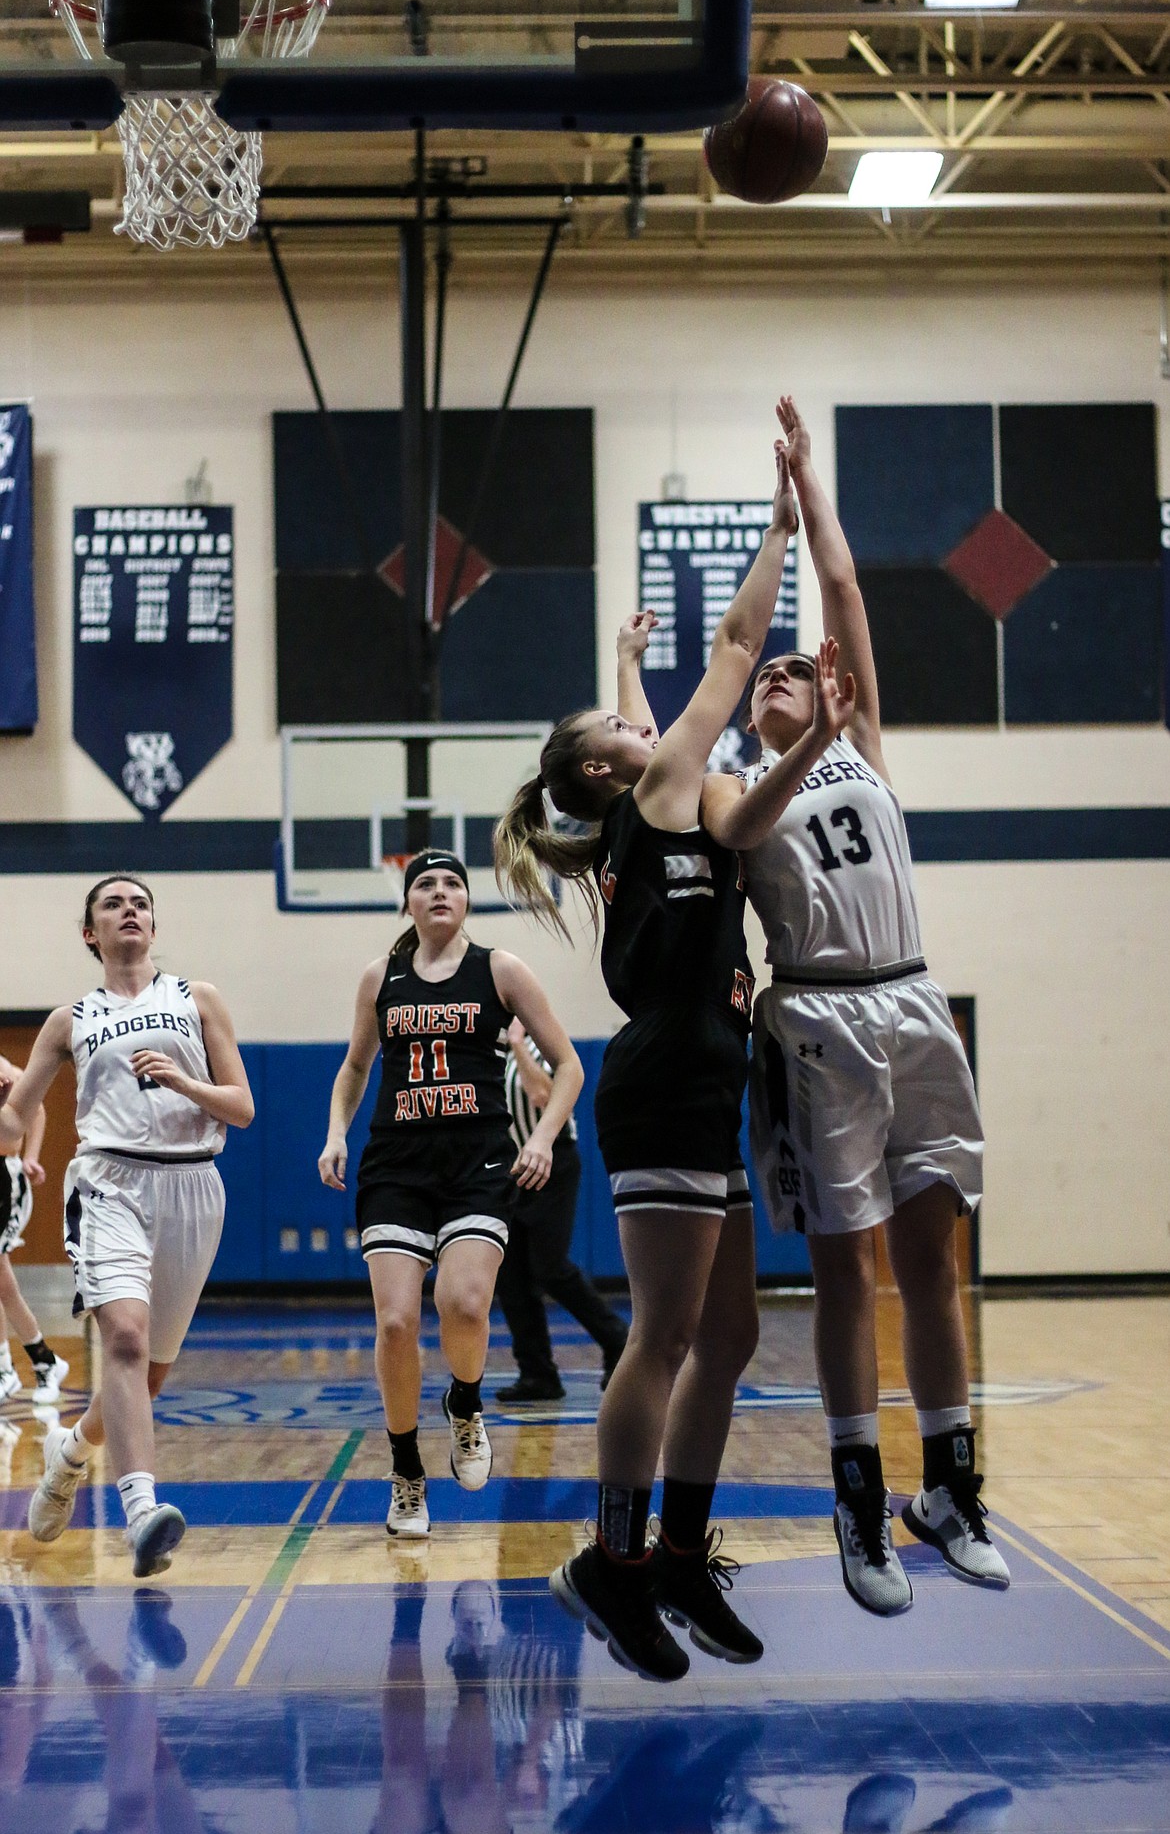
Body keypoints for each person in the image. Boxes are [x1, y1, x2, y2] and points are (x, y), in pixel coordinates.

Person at [494, 410, 853, 1681]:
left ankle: (687, 1555)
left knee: (738, 1332)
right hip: (663, 1082)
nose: (648, 725)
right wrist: (777, 520)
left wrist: (810, 741)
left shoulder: (676, 806)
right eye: (623, 725)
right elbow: (741, 645)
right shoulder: (652, 795)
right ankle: (615, 1558)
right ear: (608, 772)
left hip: (710, 1071)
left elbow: (742, 805)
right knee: (661, 1334)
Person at [701, 395, 1011, 1616]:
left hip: (917, 1002)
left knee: (935, 1258)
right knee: (851, 1273)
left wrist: (805, 484)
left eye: (798, 666)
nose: (786, 669)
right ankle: (854, 1500)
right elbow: (743, 820)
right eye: (766, 673)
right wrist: (795, 725)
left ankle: (949, 1485)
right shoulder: (730, 784)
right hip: (821, 1020)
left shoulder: (863, 740)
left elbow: (845, 598)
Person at [318, 848, 583, 1541]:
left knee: (463, 1303)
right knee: (397, 1323)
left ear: (468, 900)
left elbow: (570, 1064)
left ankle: (464, 1404)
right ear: (408, 903)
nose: (440, 891)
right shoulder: (382, 976)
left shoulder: (500, 969)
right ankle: (407, 1470)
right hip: (396, 1165)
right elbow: (354, 1064)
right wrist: (335, 1132)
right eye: (426, 883)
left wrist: (543, 1137)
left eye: (453, 883)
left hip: (479, 1161)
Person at [0, 874, 254, 1579]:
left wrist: (184, 1082)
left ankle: (71, 1455)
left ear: (153, 923)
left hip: (194, 1185)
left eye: (139, 902)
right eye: (113, 904)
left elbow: (241, 1106)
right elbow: (14, 1120)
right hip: (109, 1181)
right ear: (92, 933)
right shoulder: (69, 1018)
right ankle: (142, 1510)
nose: (129, 911)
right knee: (126, 1339)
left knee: (147, 1379)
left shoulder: (195, 999)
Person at [495, 1019, 627, 1402]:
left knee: (549, 1266)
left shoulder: (545, 1049)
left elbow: (542, 1095)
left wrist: (520, 1045)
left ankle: (616, 1338)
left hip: (553, 1163)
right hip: (512, 1170)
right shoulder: (498, 1058)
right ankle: (537, 1374)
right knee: (512, 1275)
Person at [0, 1060, 68, 1404]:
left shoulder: (2, 1068)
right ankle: (43, 1361)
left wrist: (32, 1155)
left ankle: (8, 1370)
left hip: (7, 1179)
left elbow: (36, 1106)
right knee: (2, 1283)